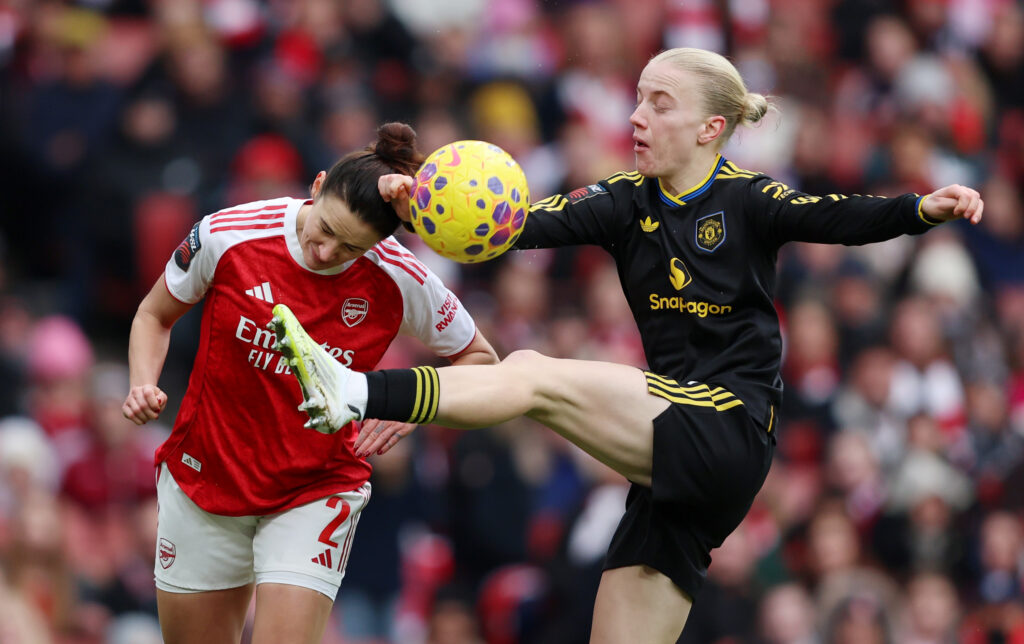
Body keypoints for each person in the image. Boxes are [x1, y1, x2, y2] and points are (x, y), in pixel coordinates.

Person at [270, 48, 984, 643]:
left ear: (710, 127)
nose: (637, 116)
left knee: (531, 374)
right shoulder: (622, 202)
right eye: (638, 98)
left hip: (726, 426)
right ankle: (358, 392)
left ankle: (353, 389)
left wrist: (923, 208)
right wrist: (415, 196)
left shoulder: (748, 201)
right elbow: (507, 224)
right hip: (673, 462)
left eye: (660, 103)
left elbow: (841, 217)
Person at [121, 122, 498, 644]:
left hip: (315, 485)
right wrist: (143, 382)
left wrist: (410, 407)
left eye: (349, 248)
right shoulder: (229, 233)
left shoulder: (399, 276)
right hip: (207, 472)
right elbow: (153, 316)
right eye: (324, 230)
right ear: (317, 186)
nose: (325, 253)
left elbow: (479, 357)